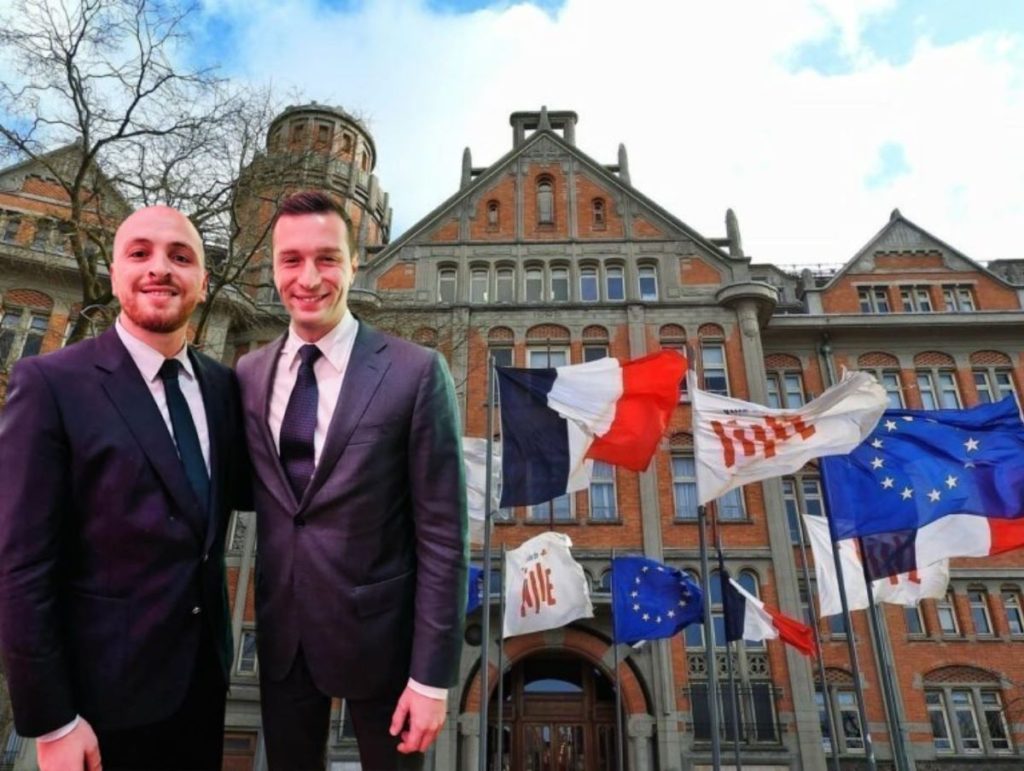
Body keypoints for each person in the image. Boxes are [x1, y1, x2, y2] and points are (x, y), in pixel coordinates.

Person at [0, 206, 250, 771]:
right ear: (114, 273)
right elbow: (21, 564)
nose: (159, 268)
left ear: (203, 283)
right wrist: (51, 719)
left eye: (180, 257)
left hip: (200, 692)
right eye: (139, 253)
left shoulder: (223, 388)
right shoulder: (51, 383)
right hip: (97, 707)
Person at [236, 190, 467, 770]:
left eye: (327, 258)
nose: (308, 278)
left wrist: (432, 678)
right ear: (273, 267)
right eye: (291, 260)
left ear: (354, 261)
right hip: (281, 641)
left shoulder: (414, 372)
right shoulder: (247, 374)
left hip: (383, 648)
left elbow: (443, 536)